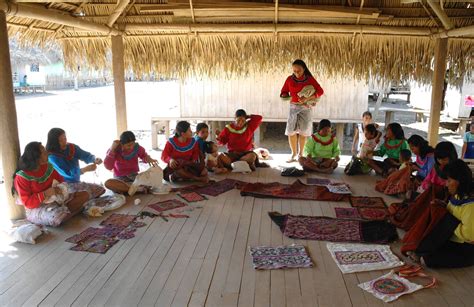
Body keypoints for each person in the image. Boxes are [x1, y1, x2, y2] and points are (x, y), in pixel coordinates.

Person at [412, 159, 474, 268]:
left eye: (449, 181)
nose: (446, 184)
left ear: (459, 181)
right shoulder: (458, 194)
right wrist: (443, 206)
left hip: (466, 246)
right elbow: (453, 213)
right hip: (452, 238)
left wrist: (448, 219)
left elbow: (469, 236)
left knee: (428, 260)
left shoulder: (470, 204)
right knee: (421, 243)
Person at [13, 142, 89, 226]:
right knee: (57, 217)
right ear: (36, 157)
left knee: (85, 195)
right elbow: (27, 203)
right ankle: (68, 212)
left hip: (55, 199)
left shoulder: (47, 166)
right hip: (37, 207)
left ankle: (66, 212)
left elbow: (60, 180)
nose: (47, 153)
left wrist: (60, 188)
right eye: (44, 152)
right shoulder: (22, 177)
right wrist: (45, 194)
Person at [280, 59, 324, 163]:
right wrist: (284, 96)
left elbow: (320, 91)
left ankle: (300, 154)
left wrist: (308, 99)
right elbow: (284, 91)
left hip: (306, 108)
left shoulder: (309, 79)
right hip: (293, 107)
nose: (296, 73)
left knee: (304, 132)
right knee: (291, 131)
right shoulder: (289, 79)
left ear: (304, 69)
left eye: (298, 70)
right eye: (294, 71)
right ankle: (293, 154)